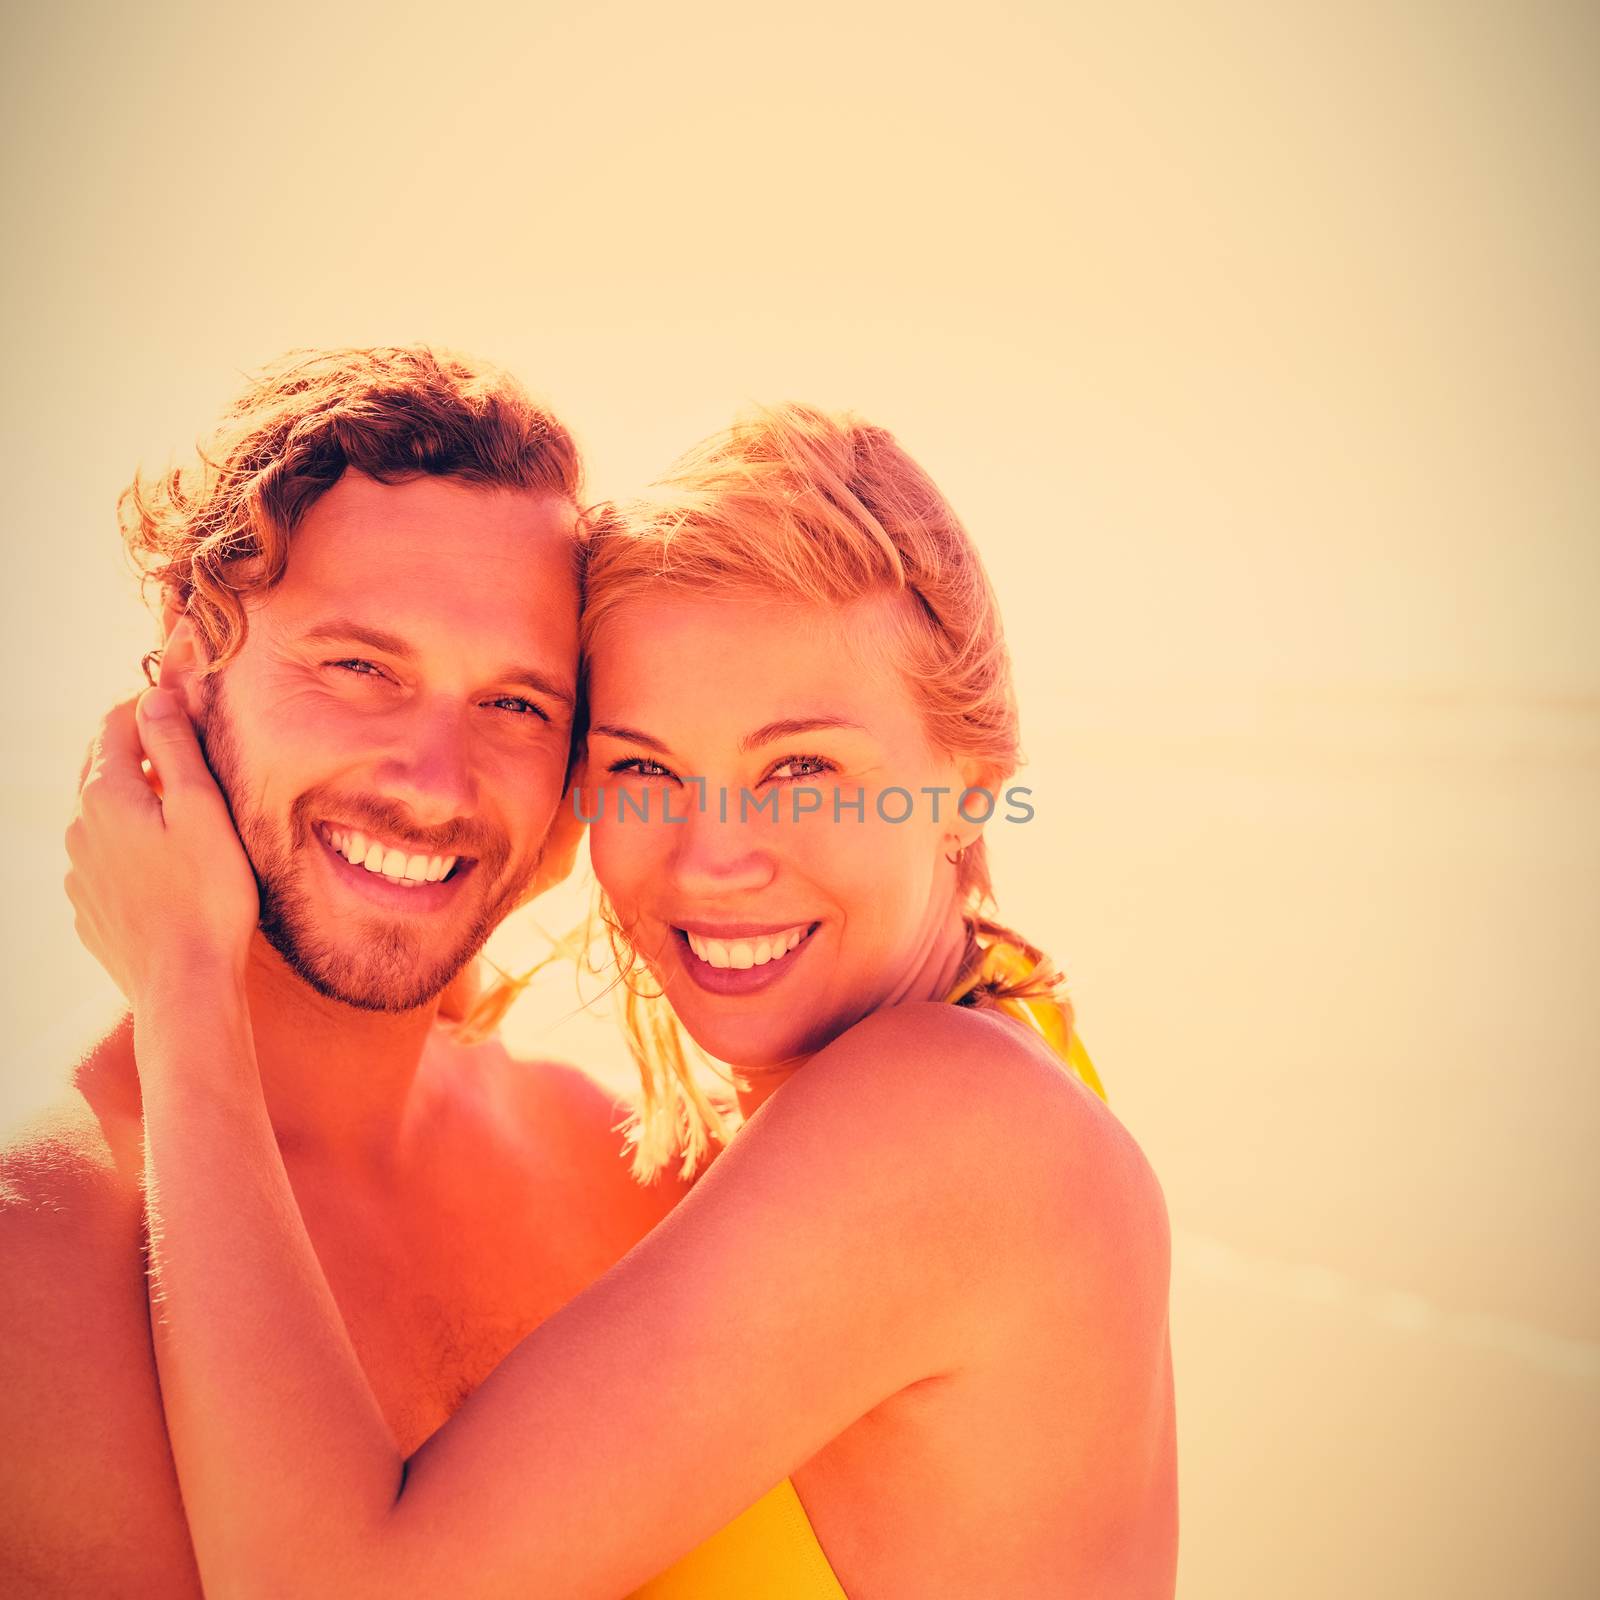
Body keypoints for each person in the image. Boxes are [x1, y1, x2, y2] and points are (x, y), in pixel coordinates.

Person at [66, 405, 1178, 1597]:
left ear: (967, 790)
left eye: (799, 769)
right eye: (643, 768)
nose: (708, 861)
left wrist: (184, 976)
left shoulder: (937, 1123)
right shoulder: (982, 1059)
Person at [1, 348, 689, 1597]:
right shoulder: (30, 1255)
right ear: (189, 665)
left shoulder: (619, 1163)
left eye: (518, 705)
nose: (433, 780)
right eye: (360, 666)